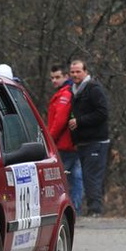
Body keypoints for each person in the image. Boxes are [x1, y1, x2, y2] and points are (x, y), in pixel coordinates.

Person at [67, 59, 109, 216]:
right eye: (72, 72)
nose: (75, 75)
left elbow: (102, 113)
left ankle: (95, 210)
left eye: (78, 71)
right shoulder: (74, 90)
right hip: (83, 142)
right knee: (86, 176)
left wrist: (80, 121)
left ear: (85, 72)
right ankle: (92, 208)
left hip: (96, 141)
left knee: (92, 177)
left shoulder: (93, 89)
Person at [47, 64, 83, 214]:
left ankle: (64, 209)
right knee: (76, 177)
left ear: (65, 77)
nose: (54, 80)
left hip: (64, 144)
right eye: (52, 78)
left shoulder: (65, 95)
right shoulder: (67, 92)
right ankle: (75, 208)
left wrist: (49, 139)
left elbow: (60, 120)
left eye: (57, 77)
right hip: (71, 143)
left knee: (59, 178)